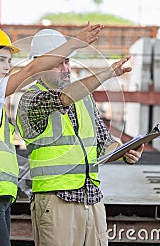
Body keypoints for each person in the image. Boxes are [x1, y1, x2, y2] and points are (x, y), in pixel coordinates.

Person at [0, 24, 103, 246]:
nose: (8, 66)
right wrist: (74, 43)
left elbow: (30, 72)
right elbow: (30, 71)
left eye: (9, 60)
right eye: (1, 59)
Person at [16, 29, 144, 246]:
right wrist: (107, 74)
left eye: (67, 62)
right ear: (38, 66)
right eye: (58, 63)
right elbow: (62, 99)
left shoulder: (85, 100)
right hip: (56, 201)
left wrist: (125, 151)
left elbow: (104, 142)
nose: (65, 69)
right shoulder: (31, 99)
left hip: (92, 199)